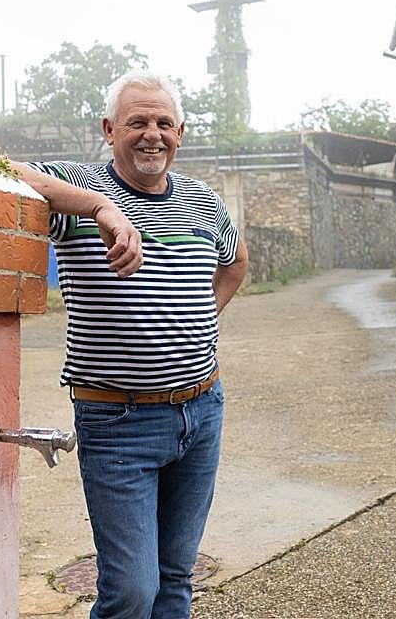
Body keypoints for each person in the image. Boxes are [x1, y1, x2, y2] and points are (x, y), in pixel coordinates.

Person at [13, 70, 248, 619]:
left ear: (181, 132)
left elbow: (234, 265)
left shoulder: (203, 200)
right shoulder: (79, 189)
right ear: (109, 128)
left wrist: (196, 324)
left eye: (164, 123)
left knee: (175, 582)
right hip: (118, 422)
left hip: (201, 412)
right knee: (131, 593)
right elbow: (4, 170)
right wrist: (101, 208)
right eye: (137, 122)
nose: (152, 134)